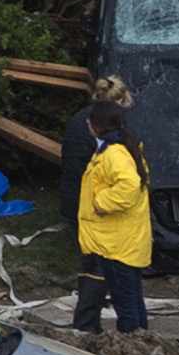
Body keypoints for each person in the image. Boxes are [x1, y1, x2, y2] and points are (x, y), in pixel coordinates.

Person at [60, 72, 137, 330]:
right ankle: (88, 327)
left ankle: (89, 325)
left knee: (94, 270)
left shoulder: (85, 124)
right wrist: (102, 203)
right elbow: (125, 183)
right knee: (100, 271)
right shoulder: (106, 142)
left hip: (84, 207)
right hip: (91, 211)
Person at [76, 100, 152, 336]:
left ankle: (134, 347)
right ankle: (142, 340)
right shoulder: (122, 148)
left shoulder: (113, 154)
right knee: (132, 297)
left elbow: (129, 186)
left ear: (95, 126)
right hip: (124, 241)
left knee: (125, 302)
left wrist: (101, 203)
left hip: (117, 244)